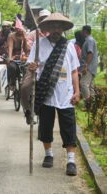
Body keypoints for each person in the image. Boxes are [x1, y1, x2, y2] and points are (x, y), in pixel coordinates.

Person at [27, 12, 80, 176]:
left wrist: (77, 91)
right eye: (53, 26)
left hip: (66, 94)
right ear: (47, 28)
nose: (56, 29)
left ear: (63, 28)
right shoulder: (38, 44)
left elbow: (74, 71)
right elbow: (31, 65)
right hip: (45, 92)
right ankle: (48, 155)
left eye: (59, 26)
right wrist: (32, 67)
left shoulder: (69, 46)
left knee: (68, 128)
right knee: (45, 126)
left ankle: (71, 160)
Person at [6, 20, 29, 91]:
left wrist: (25, 39)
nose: (18, 30)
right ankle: (12, 83)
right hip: (13, 57)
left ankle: (26, 84)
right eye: (17, 29)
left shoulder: (25, 35)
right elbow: (10, 47)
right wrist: (10, 58)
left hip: (23, 57)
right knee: (12, 67)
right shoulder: (11, 36)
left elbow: (26, 50)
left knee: (28, 68)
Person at [80, 25, 98, 105]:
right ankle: (93, 104)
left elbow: (90, 53)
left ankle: (88, 103)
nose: (81, 32)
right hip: (92, 67)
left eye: (82, 31)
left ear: (85, 31)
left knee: (83, 83)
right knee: (90, 86)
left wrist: (86, 66)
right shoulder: (90, 40)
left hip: (89, 67)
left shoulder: (89, 40)